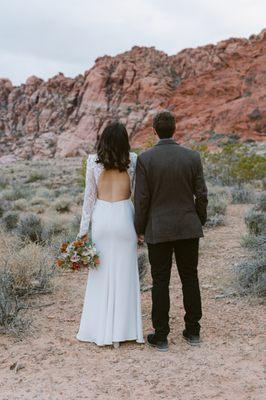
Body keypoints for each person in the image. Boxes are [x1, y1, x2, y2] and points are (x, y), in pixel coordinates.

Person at [134, 110, 208, 352]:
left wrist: (139, 228)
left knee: (160, 280)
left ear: (154, 131)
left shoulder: (146, 159)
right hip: (188, 226)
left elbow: (142, 199)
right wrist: (199, 220)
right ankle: (193, 330)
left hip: (158, 229)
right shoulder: (192, 157)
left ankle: (162, 335)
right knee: (190, 277)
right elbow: (202, 194)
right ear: (175, 129)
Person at [76, 121, 144, 348]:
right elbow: (138, 196)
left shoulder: (93, 162)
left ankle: (100, 329)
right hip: (125, 216)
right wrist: (141, 227)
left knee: (101, 275)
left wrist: (83, 232)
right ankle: (125, 330)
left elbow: (88, 200)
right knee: (126, 273)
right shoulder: (133, 160)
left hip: (102, 217)